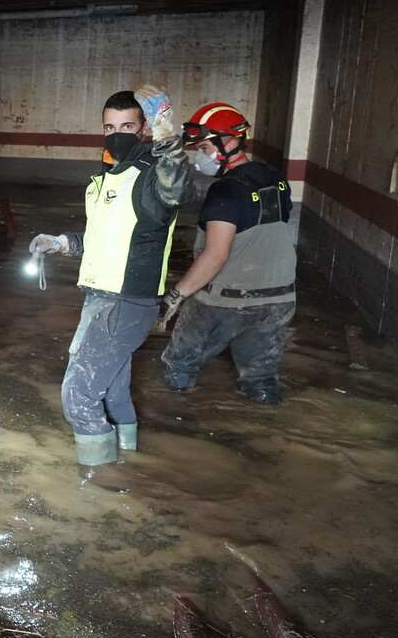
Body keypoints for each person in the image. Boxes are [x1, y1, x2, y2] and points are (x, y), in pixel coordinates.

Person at [29, 87, 195, 466]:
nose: (116, 133)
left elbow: (180, 190)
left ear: (144, 131)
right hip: (103, 299)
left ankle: (98, 484)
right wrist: (61, 243)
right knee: (113, 391)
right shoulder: (110, 177)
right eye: (109, 126)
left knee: (79, 395)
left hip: (125, 301)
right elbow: (104, 239)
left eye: (127, 125)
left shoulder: (153, 175)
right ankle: (129, 467)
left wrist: (169, 136)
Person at [159, 103, 296, 405]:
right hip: (279, 299)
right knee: (260, 380)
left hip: (227, 299)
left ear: (230, 142)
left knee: (179, 368)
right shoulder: (277, 179)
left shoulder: (225, 191)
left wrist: (175, 295)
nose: (200, 155)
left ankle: (173, 422)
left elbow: (215, 256)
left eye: (205, 146)